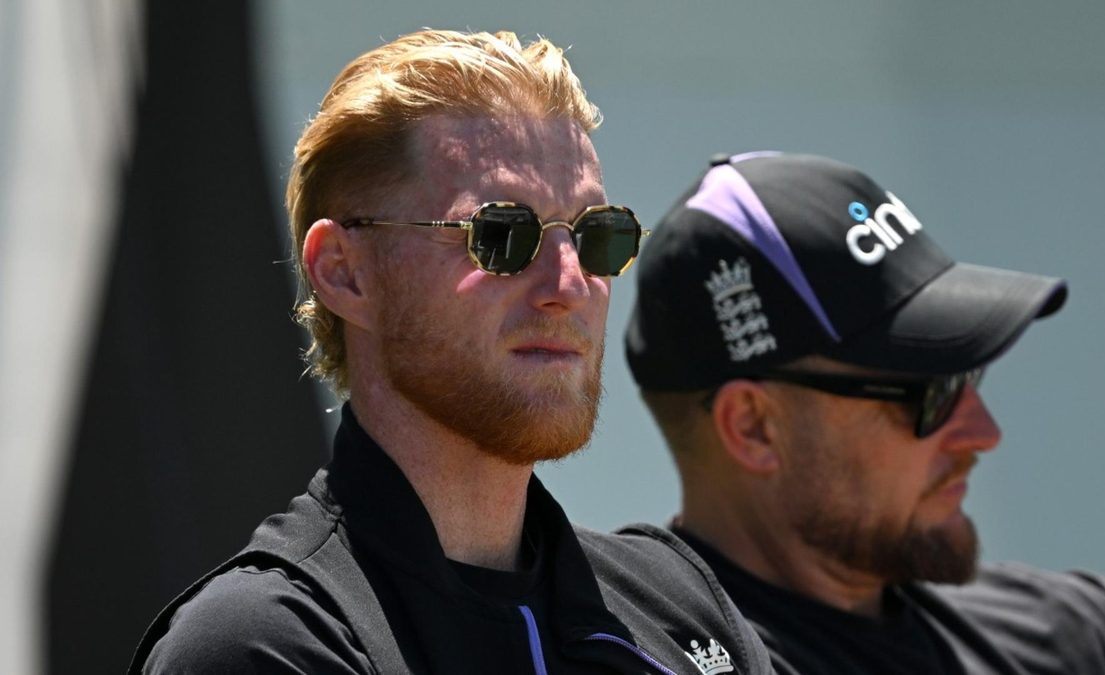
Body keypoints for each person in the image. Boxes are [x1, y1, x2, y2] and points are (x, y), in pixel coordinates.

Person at [128, 31, 771, 675]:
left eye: (596, 236)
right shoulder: (266, 641)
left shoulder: (684, 608)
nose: (569, 286)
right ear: (346, 272)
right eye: (500, 235)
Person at [625, 151, 1105, 674]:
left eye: (968, 375)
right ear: (755, 427)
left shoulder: (1103, 637)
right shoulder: (643, 651)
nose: (984, 434)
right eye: (931, 392)